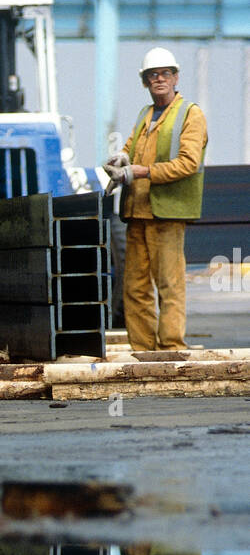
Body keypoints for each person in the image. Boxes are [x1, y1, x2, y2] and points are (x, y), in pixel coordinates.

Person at [103, 49, 207, 351]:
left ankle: (171, 349)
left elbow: (189, 163)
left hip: (168, 214)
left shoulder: (190, 114)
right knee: (135, 288)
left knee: (169, 285)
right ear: (145, 82)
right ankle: (143, 351)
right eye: (152, 75)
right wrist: (122, 157)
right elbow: (131, 147)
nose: (158, 79)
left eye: (164, 74)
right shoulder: (145, 114)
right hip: (137, 212)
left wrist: (142, 172)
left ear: (175, 77)